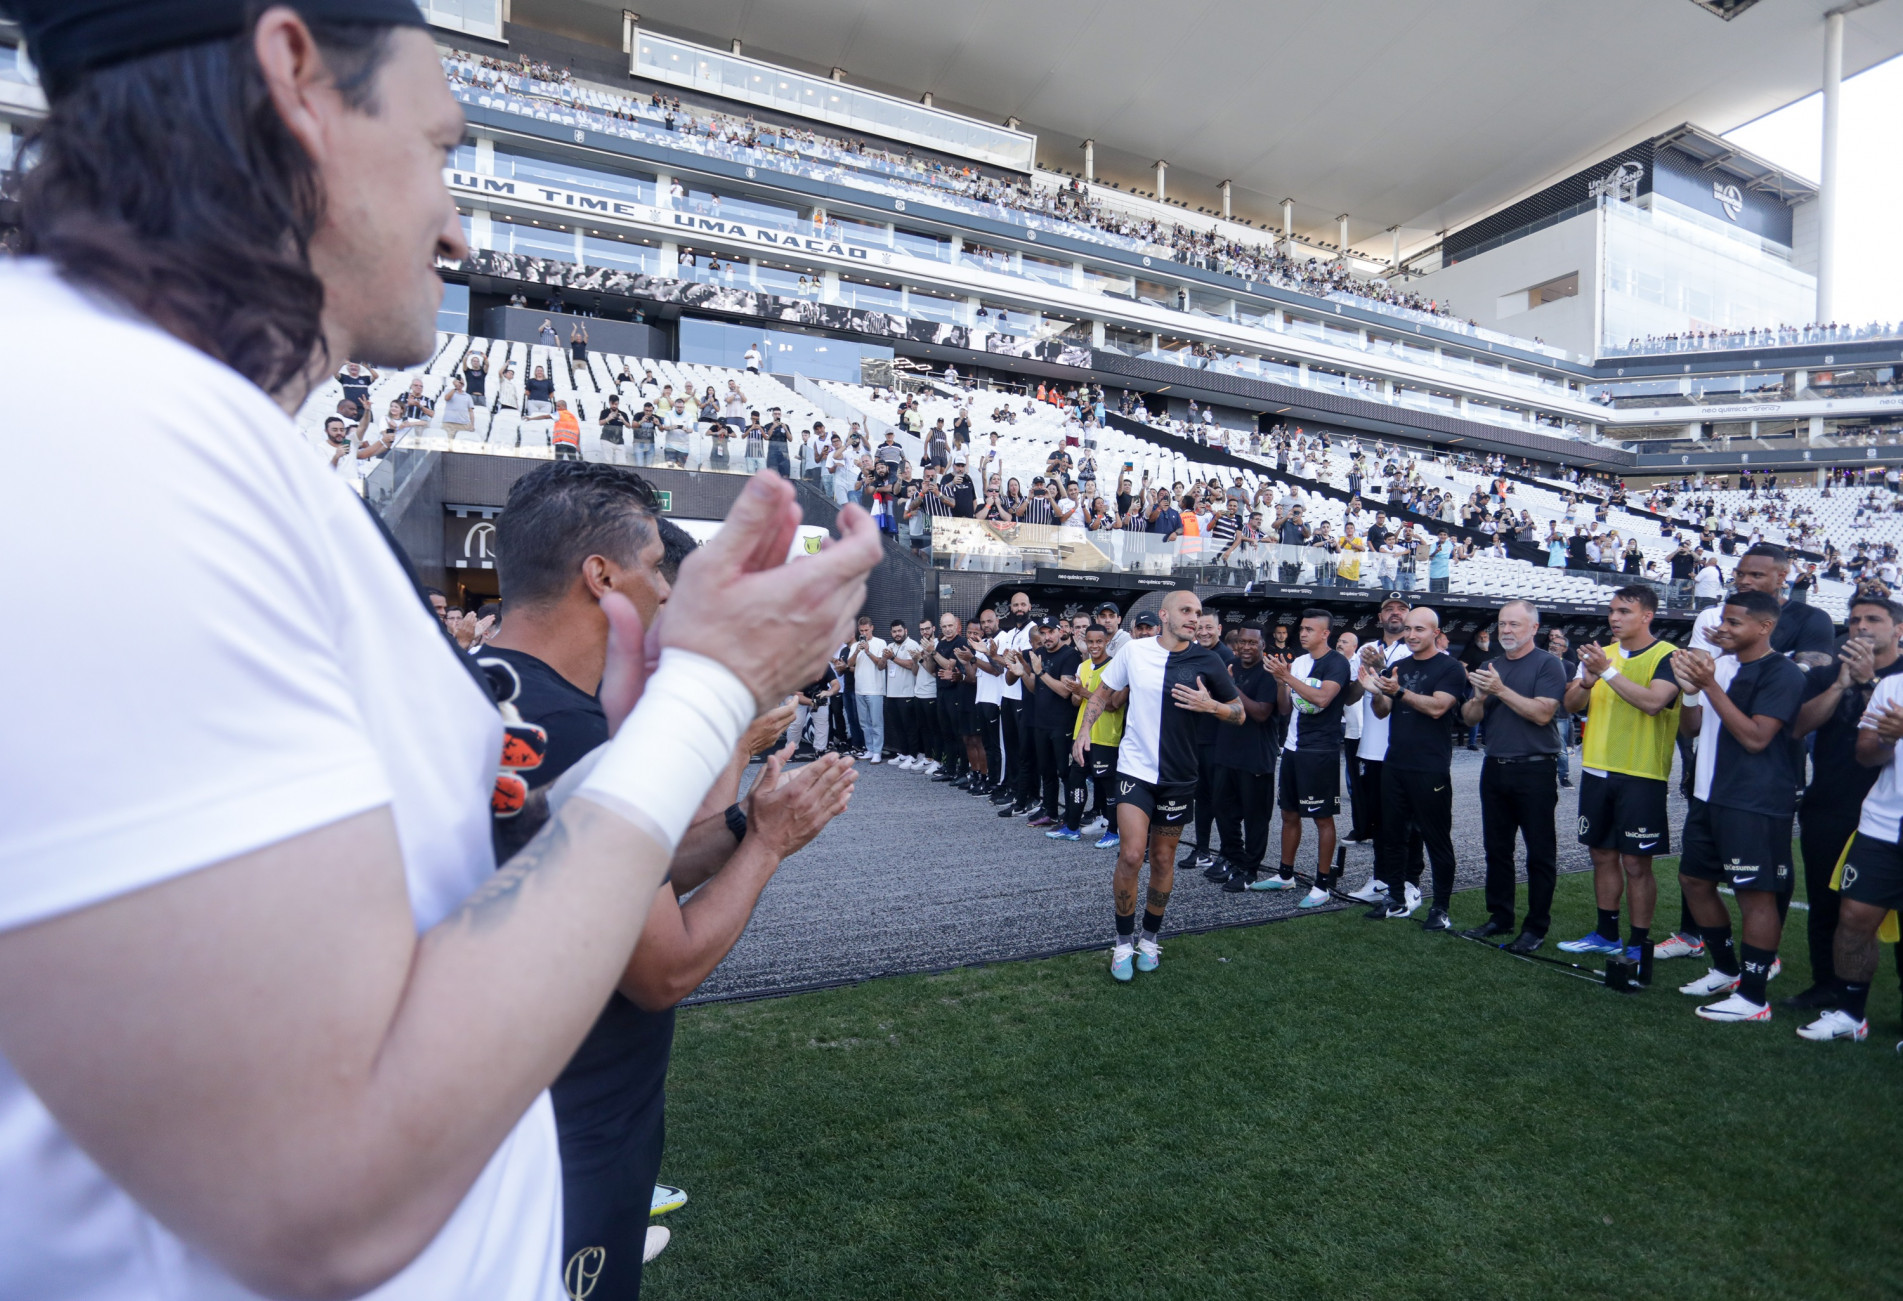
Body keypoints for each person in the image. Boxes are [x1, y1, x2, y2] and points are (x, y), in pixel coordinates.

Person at [0, 6, 883, 1298]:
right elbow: (320, 1195)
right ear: (295, 73)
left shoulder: (170, 432)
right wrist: (708, 694)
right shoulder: (99, 431)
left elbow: (438, 922)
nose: (461, 229)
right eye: (439, 147)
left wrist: (657, 734)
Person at [482, 462, 857, 1295]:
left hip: (506, 1120)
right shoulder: (577, 730)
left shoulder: (485, 690)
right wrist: (768, 844)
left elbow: (606, 866)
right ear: (601, 576)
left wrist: (738, 822)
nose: (664, 589)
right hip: (573, 1130)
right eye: (655, 566)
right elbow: (663, 967)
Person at [1073, 591, 1241, 980]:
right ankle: (1121, 944)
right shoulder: (1135, 652)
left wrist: (1211, 706)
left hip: (1180, 775)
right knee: (1132, 855)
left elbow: (1240, 713)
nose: (1194, 619)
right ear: (1164, 615)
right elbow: (1102, 694)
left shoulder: (1208, 660)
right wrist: (1084, 732)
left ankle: (1149, 939)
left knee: (1163, 859)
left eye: (1198, 613)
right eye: (1187, 611)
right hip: (1135, 770)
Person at [1670, 591, 1807, 1020]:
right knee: (1693, 881)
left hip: (1754, 802)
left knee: (1755, 897)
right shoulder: (1721, 667)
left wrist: (1708, 684)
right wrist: (1691, 692)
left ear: (1764, 627)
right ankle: (1727, 970)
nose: (1722, 630)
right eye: (1722, 621)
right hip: (1708, 796)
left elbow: (1755, 738)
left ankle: (1753, 998)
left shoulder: (1782, 674)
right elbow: (1689, 729)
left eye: (1733, 623)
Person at [1785, 597, 1903, 1011]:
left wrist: (1870, 682)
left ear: (1898, 630)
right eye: (1854, 620)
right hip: (1830, 803)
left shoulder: (1900, 678)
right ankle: (1828, 986)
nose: (1861, 627)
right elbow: (1798, 727)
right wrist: (1841, 684)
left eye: (1873, 619)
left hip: (1887, 812)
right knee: (1826, 903)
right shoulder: (1823, 675)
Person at [1556, 586, 1682, 967]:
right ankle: (1606, 934)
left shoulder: (1668, 656)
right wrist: (1588, 682)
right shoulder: (1601, 656)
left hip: (1641, 773)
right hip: (1596, 768)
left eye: (1625, 611)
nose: (1614, 618)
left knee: (1636, 864)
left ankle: (1639, 944)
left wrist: (1605, 672)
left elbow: (1652, 703)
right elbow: (1571, 704)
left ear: (1647, 616)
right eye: (1612, 611)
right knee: (1601, 854)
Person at [1804, 659, 1903, 1043]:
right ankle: (1850, 1013)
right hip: (1881, 823)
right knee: (1854, 917)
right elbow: (1866, 754)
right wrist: (1889, 740)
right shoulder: (1892, 686)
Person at [1458, 601, 1566, 950]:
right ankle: (1500, 917)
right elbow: (1470, 718)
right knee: (1497, 849)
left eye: (1515, 625)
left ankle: (1535, 927)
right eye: (1502, 624)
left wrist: (1500, 690)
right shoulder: (1490, 665)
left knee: (1539, 852)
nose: (1506, 631)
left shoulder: (1549, 664)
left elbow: (1542, 714)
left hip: (1535, 769)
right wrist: (1477, 697)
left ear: (1534, 629)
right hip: (1495, 767)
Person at [1360, 607, 1470, 930]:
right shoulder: (1398, 666)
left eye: (1419, 629)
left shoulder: (1450, 668)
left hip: (1429, 766)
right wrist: (1376, 692)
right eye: (1408, 629)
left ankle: (1441, 908)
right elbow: (1383, 711)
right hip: (1395, 763)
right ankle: (1395, 899)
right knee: (1393, 836)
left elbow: (1438, 708)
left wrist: (1399, 692)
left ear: (1436, 633)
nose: (1411, 635)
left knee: (1435, 838)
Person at [1252, 609, 1351, 905]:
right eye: (1302, 629)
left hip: (1320, 750)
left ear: (1325, 634)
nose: (1303, 633)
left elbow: (1322, 698)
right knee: (1289, 814)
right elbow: (1285, 709)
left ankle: (1322, 885)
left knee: (1322, 818)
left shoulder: (1337, 663)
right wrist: (1281, 682)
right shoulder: (1300, 662)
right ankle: (1285, 875)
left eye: (1310, 629)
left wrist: (1286, 676)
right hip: (1293, 748)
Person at [1211, 626, 1279, 889]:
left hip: (1256, 757)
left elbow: (1261, 712)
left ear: (1263, 644)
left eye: (1253, 642)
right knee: (1223, 811)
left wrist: (1231, 687)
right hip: (1226, 753)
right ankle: (1233, 859)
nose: (1247, 647)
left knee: (1255, 818)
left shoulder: (1269, 671)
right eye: (1242, 642)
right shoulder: (1230, 666)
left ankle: (1250, 871)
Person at [1054, 623, 1126, 848]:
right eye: (1090, 641)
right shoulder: (1083, 666)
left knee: (1108, 787)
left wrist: (1084, 692)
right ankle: (1072, 827)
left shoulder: (1115, 667)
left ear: (1106, 643)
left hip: (1105, 736)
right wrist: (1076, 691)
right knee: (1075, 779)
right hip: (1082, 734)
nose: (1094, 646)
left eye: (1099, 641)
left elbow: (1112, 705)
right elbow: (1076, 702)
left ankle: (1114, 831)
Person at [846, 615, 889, 763]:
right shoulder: (854, 646)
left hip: (875, 689)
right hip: (859, 689)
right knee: (864, 723)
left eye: (866, 630)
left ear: (872, 628)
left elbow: (881, 665)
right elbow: (849, 664)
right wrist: (858, 651)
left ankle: (877, 751)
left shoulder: (880, 643)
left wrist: (868, 651)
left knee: (876, 722)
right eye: (861, 631)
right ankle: (870, 749)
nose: (864, 633)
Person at [884, 619, 924, 770]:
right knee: (898, 726)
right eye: (894, 631)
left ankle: (914, 756)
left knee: (910, 727)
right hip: (892, 693)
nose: (897, 634)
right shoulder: (890, 646)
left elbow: (911, 665)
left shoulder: (912, 645)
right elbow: (881, 667)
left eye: (899, 631)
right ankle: (904, 753)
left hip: (907, 693)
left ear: (905, 630)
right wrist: (884, 657)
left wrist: (893, 658)